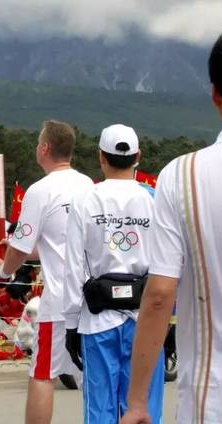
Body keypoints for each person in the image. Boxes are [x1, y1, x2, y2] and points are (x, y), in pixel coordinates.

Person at [122, 24, 222, 424]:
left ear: (215, 93)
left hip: (215, 399)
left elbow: (159, 294)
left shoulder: (182, 175)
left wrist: (137, 402)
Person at [0, 120, 93, 424]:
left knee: (42, 375)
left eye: (38, 143)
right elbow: (54, 244)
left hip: (60, 302)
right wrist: (18, 250)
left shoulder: (40, 190)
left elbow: (20, 250)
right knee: (92, 375)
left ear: (45, 148)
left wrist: (5, 269)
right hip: (91, 301)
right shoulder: (88, 185)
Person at [63, 124, 164, 423]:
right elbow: (169, 265)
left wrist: (71, 323)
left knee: (100, 411)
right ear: (138, 157)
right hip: (145, 320)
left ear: (101, 158)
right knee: (144, 408)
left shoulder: (84, 199)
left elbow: (72, 267)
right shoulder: (154, 199)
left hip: (97, 322)